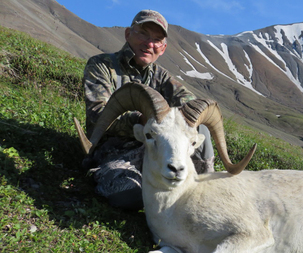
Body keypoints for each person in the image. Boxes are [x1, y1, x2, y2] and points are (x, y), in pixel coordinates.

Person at [83, 9, 215, 210]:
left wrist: (180, 120)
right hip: (115, 152)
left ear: (162, 48)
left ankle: (206, 186)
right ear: (128, 34)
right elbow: (97, 115)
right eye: (143, 33)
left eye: (157, 39)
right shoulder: (102, 66)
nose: (149, 43)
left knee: (200, 128)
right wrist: (141, 120)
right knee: (128, 196)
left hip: (158, 150)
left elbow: (190, 104)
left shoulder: (162, 78)